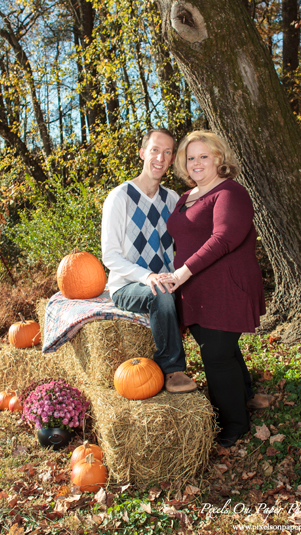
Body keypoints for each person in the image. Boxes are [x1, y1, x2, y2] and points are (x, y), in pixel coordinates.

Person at [164, 130, 266, 447]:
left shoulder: (230, 193)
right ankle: (245, 395)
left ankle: (234, 426)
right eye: (191, 157)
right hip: (196, 289)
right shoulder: (186, 197)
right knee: (224, 348)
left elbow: (224, 238)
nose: (196, 163)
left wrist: (182, 272)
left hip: (226, 287)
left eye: (203, 156)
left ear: (219, 158)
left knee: (216, 355)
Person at [101, 128, 197, 395]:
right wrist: (147, 277)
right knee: (161, 295)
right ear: (143, 153)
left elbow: (184, 246)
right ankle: (172, 369)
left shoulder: (173, 199)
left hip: (168, 279)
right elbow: (110, 256)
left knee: (203, 292)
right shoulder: (120, 197)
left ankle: (230, 373)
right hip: (128, 285)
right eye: (155, 150)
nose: (160, 157)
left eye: (167, 152)